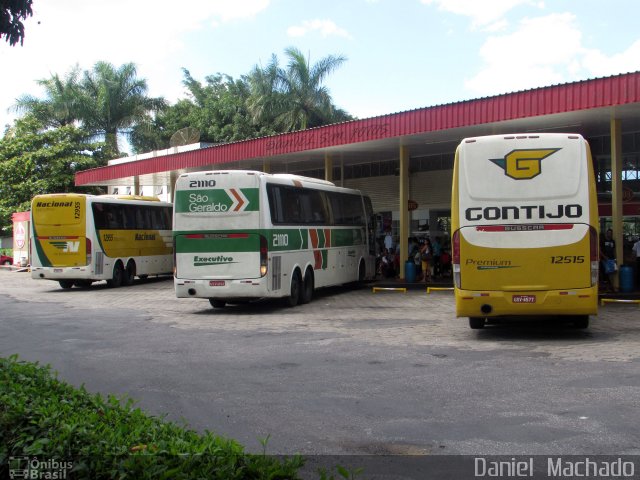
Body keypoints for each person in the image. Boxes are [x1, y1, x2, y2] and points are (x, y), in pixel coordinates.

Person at [601, 228, 617, 292]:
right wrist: (604, 257)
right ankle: (608, 288)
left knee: (612, 273)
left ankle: (611, 287)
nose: (609, 234)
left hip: (611, 259)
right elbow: (599, 250)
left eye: (611, 233)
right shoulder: (603, 241)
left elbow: (614, 250)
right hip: (605, 260)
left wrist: (615, 258)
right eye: (608, 233)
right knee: (607, 274)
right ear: (606, 233)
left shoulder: (613, 241)